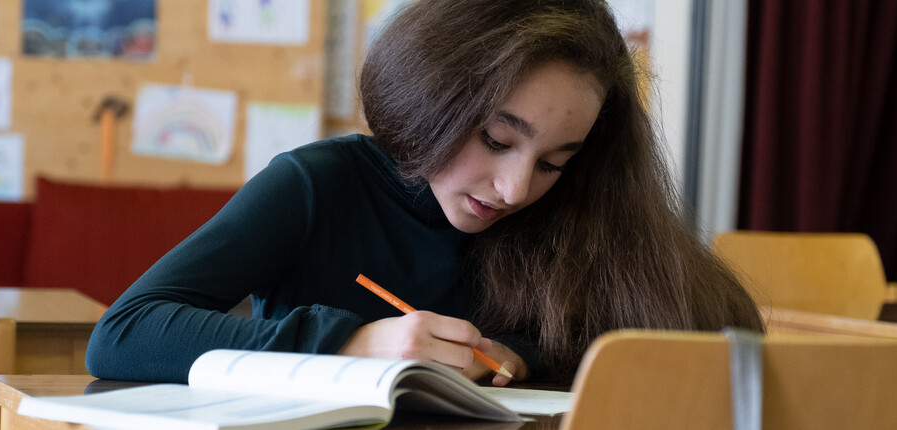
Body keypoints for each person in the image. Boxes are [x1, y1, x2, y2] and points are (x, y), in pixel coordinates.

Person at [85, 0, 763, 386]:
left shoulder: (570, 205)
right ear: (431, 100)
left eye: (556, 161)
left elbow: (702, 332)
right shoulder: (317, 185)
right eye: (496, 139)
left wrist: (519, 354)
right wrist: (352, 345)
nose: (515, 187)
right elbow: (123, 334)